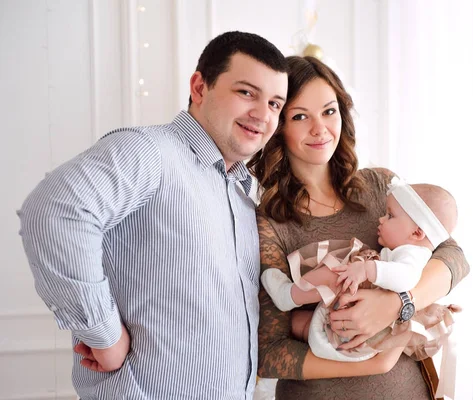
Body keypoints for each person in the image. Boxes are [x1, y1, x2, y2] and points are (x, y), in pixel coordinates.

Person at [18, 31, 288, 399]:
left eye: (275, 103)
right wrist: (104, 334)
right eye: (246, 93)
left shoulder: (243, 195)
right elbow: (55, 212)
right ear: (199, 87)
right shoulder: (151, 152)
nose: (262, 114)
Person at [247, 55, 470, 399]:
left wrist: (397, 305)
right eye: (300, 116)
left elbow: (453, 256)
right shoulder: (269, 221)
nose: (320, 128)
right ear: (278, 126)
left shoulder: (382, 188)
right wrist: (372, 363)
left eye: (329, 111)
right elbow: (271, 353)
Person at [260, 179, 458, 362]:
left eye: (390, 216)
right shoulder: (411, 251)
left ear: (417, 232)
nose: (381, 219)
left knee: (338, 272)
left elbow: (406, 278)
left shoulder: (413, 255)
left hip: (361, 329)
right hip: (350, 330)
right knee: (297, 323)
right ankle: (304, 326)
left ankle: (289, 295)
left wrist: (366, 269)